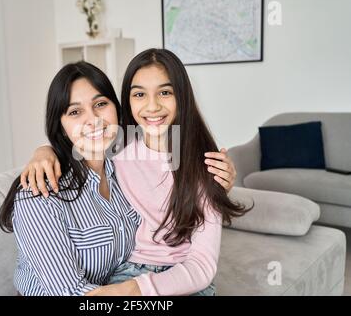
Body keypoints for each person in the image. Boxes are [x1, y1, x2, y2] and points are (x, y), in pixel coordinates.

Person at [21, 48, 249, 296]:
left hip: (176, 278)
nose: (152, 106)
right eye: (140, 94)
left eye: (165, 92)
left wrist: (135, 289)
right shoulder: (114, 153)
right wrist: (44, 150)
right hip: (123, 276)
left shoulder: (201, 165)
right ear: (127, 102)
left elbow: (202, 266)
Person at [0, 61, 141, 296]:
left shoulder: (127, 171)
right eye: (75, 112)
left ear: (116, 109)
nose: (93, 119)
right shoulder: (40, 195)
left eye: (101, 104)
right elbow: (70, 292)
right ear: (62, 126)